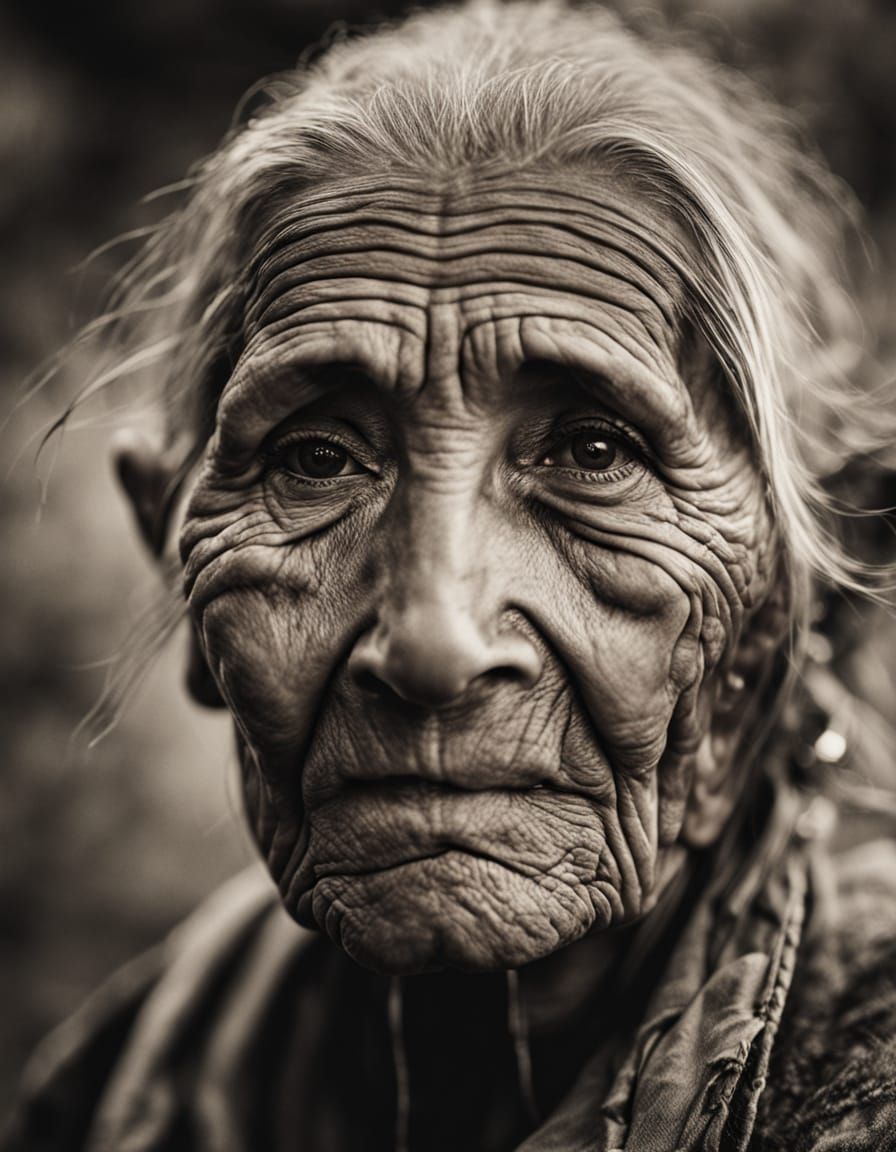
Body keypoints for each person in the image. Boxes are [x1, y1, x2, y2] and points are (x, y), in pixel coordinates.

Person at [6, 2, 896, 1149]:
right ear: (168, 551)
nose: (431, 641)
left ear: (813, 587)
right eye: (315, 459)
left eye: (591, 454)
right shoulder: (115, 1089)